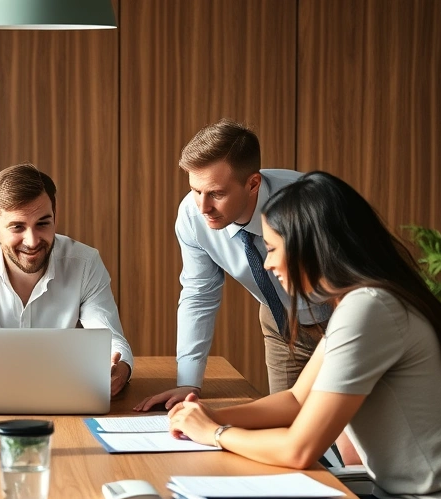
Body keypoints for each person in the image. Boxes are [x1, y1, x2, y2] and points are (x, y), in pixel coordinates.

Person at [167, 172, 441, 499]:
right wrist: (208, 416)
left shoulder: (370, 309)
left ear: (313, 247)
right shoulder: (362, 299)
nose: (267, 262)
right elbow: (296, 400)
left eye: (275, 247)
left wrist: (214, 434)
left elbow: (300, 450)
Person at [136, 119, 332, 412]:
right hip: (279, 322)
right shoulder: (193, 215)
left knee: (346, 434)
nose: (202, 207)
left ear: (253, 183)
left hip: (338, 316)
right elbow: (199, 293)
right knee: (286, 419)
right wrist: (189, 383)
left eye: (216, 193)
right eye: (195, 190)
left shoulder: (309, 202)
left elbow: (361, 276)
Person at [0, 162, 133, 394]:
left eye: (42, 223)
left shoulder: (85, 263)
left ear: (55, 217)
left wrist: (117, 371)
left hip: (63, 398)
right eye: (17, 227)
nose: (32, 241)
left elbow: (113, 343)